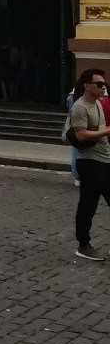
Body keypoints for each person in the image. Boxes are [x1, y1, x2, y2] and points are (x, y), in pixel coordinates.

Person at [69, 68, 110, 261]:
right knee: (88, 204)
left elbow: (100, 129)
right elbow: (81, 134)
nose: (103, 87)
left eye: (104, 84)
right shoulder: (80, 107)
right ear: (87, 86)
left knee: (89, 203)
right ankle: (83, 244)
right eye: (99, 84)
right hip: (90, 162)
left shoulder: (98, 104)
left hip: (104, 159)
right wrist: (106, 132)